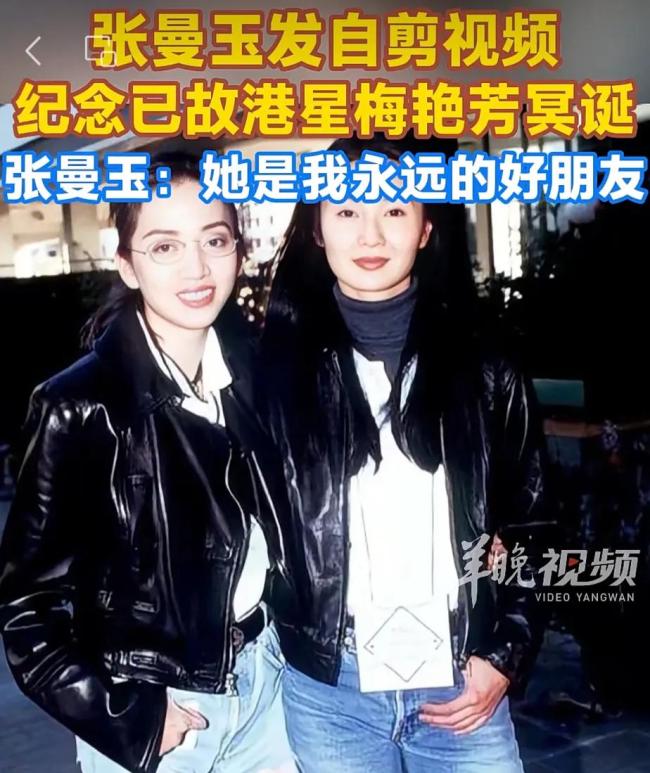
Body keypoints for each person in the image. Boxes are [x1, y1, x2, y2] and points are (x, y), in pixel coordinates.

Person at [258, 133, 553, 772]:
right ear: (316, 229)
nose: (370, 234)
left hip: (461, 678)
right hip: (330, 686)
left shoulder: (487, 365)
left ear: (425, 228)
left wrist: (506, 652)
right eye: (346, 211)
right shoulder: (270, 374)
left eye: (394, 209)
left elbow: (536, 523)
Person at [0, 153, 296, 773]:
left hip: (268, 689)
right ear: (127, 264)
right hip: (157, 706)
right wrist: (125, 717)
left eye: (214, 239)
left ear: (238, 249)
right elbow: (27, 608)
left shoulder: (260, 377)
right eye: (165, 246)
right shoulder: (77, 406)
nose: (196, 268)